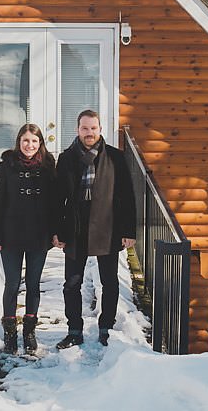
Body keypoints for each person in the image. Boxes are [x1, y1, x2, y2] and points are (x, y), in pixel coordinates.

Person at [53, 110, 136, 349]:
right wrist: (57, 230)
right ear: (78, 130)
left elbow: (127, 196)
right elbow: (59, 198)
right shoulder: (67, 158)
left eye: (93, 128)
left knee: (109, 282)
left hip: (107, 225)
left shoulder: (115, 158)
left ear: (100, 129)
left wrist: (128, 231)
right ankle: (74, 330)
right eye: (84, 128)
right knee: (71, 283)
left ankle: (105, 328)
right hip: (75, 227)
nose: (89, 133)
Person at [0, 123, 59, 354]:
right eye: (25, 141)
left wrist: (55, 233)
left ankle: (29, 332)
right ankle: (10, 332)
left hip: (39, 234)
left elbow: (55, 205)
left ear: (40, 143)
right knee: (12, 283)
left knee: (33, 283)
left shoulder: (49, 167)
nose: (30, 145)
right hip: (11, 234)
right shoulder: (6, 166)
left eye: (34, 141)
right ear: (19, 142)